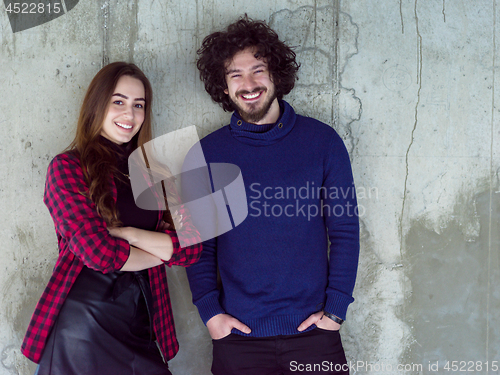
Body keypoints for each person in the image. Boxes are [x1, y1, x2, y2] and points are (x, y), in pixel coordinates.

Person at [185, 16, 360, 375]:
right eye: (235, 74)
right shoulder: (203, 154)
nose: (248, 84)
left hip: (315, 335)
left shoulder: (323, 143)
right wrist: (211, 314)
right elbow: (197, 244)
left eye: (257, 70)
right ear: (224, 85)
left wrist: (336, 310)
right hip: (237, 339)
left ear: (276, 75)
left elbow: (344, 230)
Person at [21, 62, 202, 375]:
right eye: (118, 102)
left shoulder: (156, 174)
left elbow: (192, 249)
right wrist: (162, 251)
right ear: (97, 105)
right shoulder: (68, 168)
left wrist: (130, 234)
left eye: (138, 105)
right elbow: (99, 253)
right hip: (84, 325)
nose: (129, 115)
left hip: (142, 322)